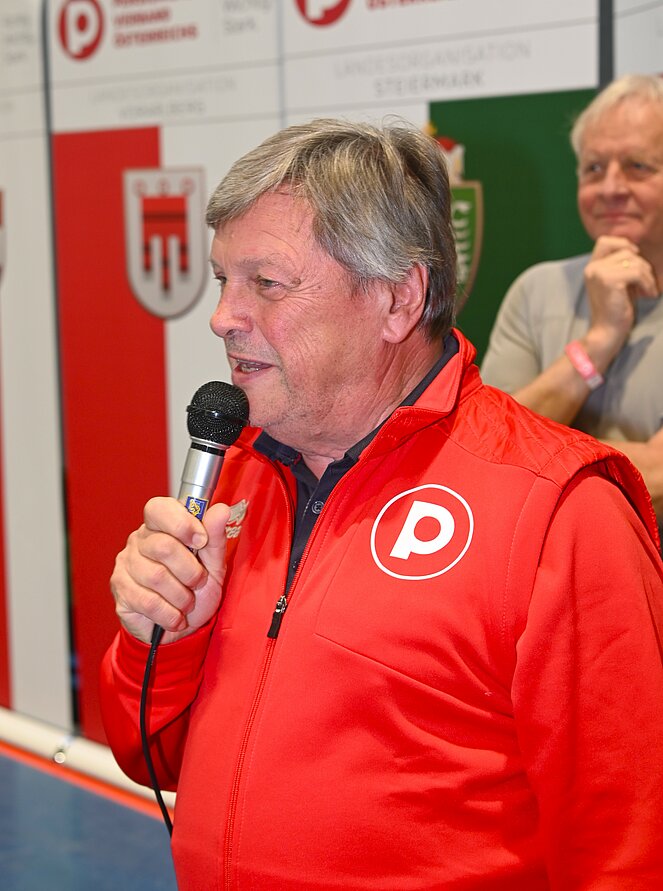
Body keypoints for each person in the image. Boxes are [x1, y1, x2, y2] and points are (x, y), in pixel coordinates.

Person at [100, 118, 663, 890]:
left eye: (266, 283)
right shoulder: (239, 474)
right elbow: (150, 754)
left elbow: (628, 848)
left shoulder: (560, 514)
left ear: (398, 298)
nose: (222, 315)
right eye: (223, 278)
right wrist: (160, 638)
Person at [481, 73, 663, 542]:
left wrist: (532, 449)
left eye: (638, 166)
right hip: (542, 571)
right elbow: (486, 454)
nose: (611, 187)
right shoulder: (537, 290)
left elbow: (658, 483)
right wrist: (598, 343)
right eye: (594, 168)